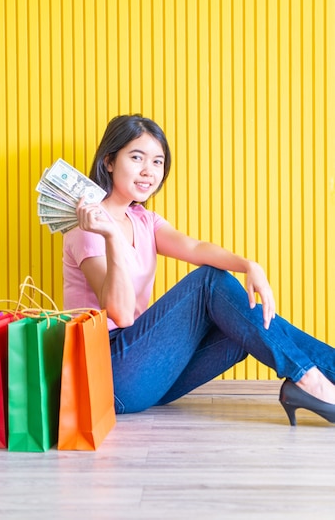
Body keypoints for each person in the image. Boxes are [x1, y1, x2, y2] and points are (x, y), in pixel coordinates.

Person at [63, 113, 335, 425]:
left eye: (157, 161)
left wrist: (248, 265)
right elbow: (121, 314)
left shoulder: (143, 220)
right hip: (106, 376)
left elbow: (194, 248)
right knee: (210, 281)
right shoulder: (87, 227)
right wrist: (110, 235)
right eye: (136, 157)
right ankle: (310, 381)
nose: (148, 171)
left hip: (146, 376)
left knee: (241, 321)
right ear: (109, 161)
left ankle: (323, 375)